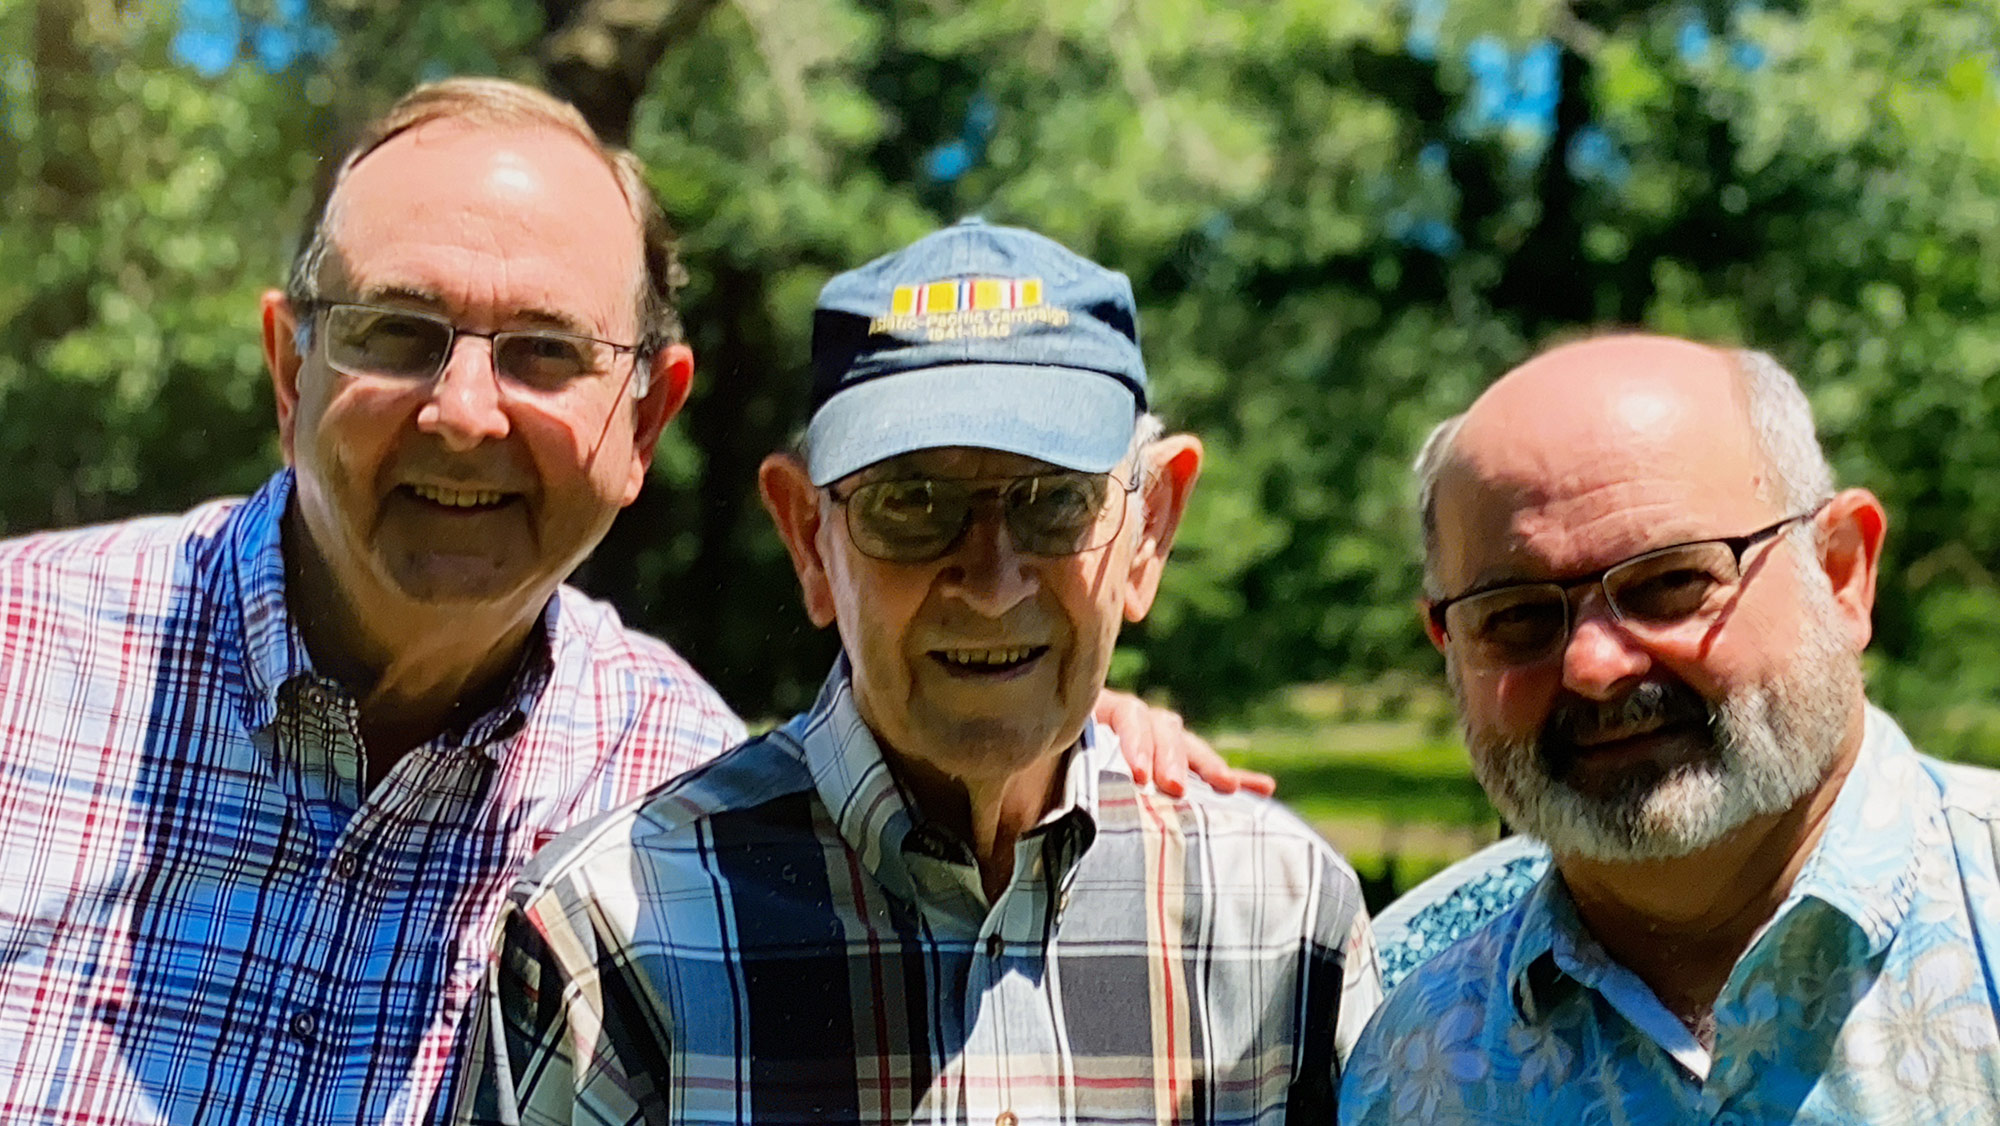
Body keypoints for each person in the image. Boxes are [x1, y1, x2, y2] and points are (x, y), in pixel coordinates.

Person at [0, 80, 1241, 1125]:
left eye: (545, 351)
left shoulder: (675, 803)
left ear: (646, 417)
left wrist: (1059, 719)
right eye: (395, 332)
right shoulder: (19, 653)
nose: (465, 410)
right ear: (289, 370)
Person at [456, 219, 1383, 1125]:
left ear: (1150, 530)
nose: (990, 580)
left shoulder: (1283, 923)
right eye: (912, 503)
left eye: (1056, 501)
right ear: (808, 538)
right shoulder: (616, 936)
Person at [1341, 334, 2000, 1123]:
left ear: (1840, 572)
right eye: (1515, 616)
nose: (1593, 665)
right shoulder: (1404, 1039)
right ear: (1448, 646)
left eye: (1671, 581)